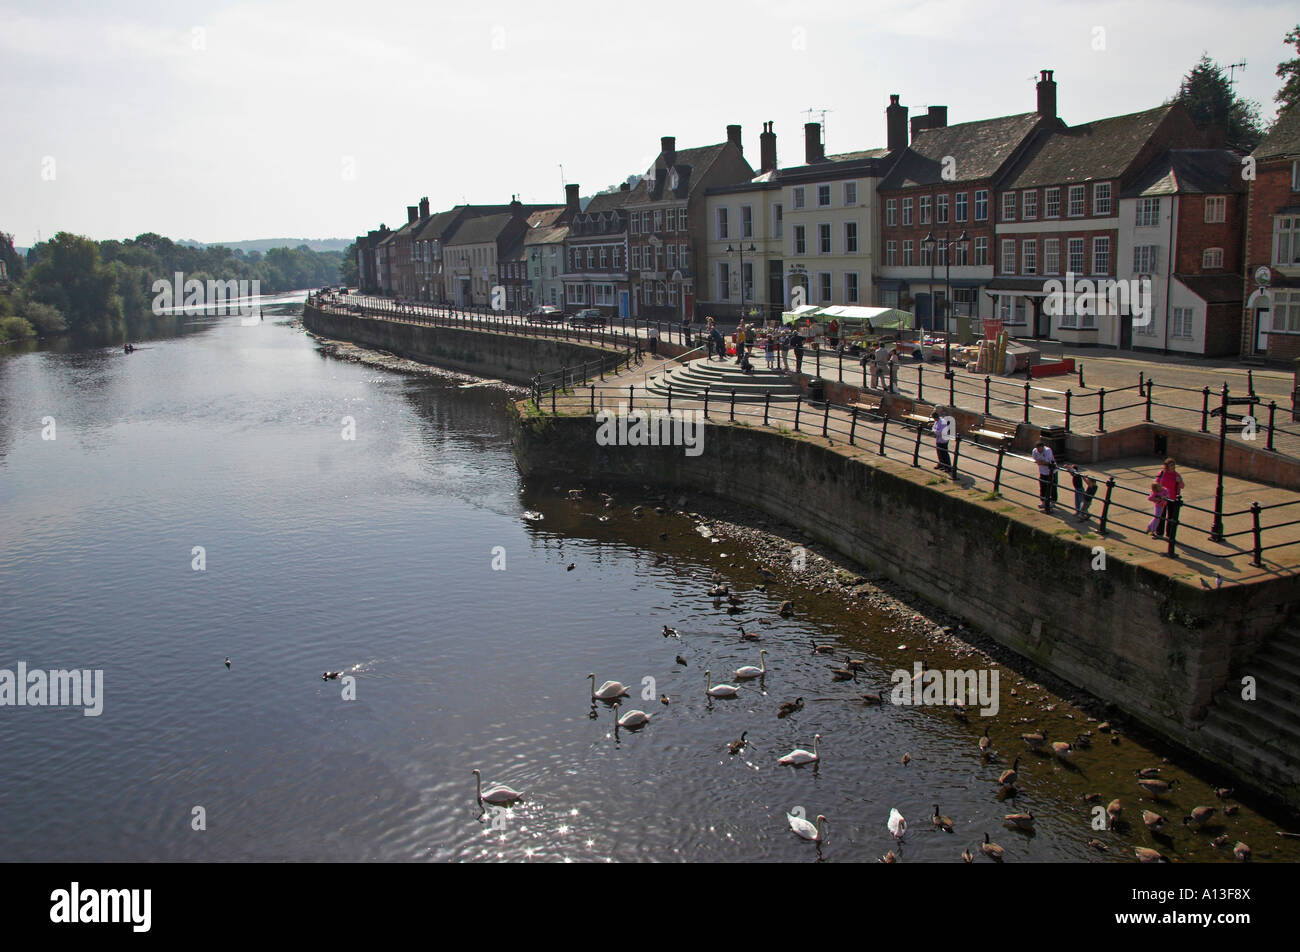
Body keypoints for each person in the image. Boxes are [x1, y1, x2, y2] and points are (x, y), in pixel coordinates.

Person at [1155, 458, 1185, 538]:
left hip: (1172, 499)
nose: (1173, 467)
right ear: (1166, 466)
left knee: (1171, 517)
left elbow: (1182, 486)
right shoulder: (1162, 473)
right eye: (1171, 465)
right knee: (1161, 516)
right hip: (1163, 498)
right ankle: (1159, 533)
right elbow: (1156, 483)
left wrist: (1179, 481)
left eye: (1173, 465)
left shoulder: (1176, 475)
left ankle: (1170, 534)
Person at [1031, 439, 1056, 513]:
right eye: (1038, 449)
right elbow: (1035, 459)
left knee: (1052, 487)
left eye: (1040, 449)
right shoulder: (1035, 451)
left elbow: (1048, 462)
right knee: (1042, 487)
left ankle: (1053, 502)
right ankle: (1043, 502)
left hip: (1051, 472)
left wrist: (1041, 462)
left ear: (1043, 447)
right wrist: (1041, 462)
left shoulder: (1048, 451)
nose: (1039, 451)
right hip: (1042, 472)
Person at [932, 407, 952, 474]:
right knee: (939, 452)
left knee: (944, 453)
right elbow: (934, 428)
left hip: (944, 440)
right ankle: (941, 464)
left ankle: (948, 467)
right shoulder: (937, 421)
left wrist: (935, 432)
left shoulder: (942, 422)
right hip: (939, 439)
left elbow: (941, 431)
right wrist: (935, 431)